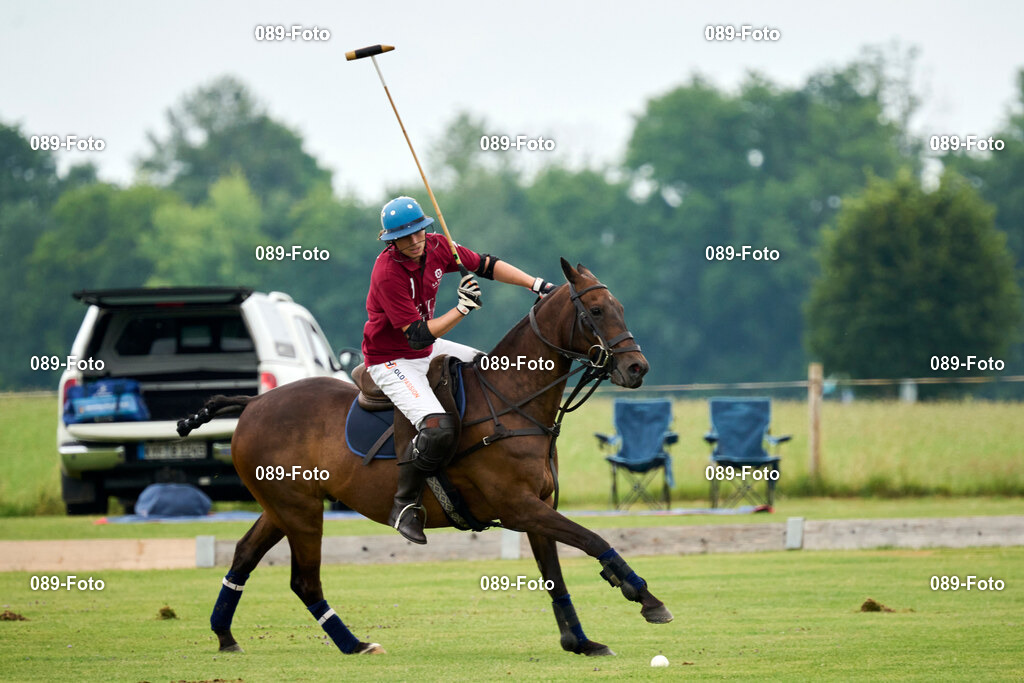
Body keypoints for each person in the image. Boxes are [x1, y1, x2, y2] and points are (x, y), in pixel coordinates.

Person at [362, 196, 555, 544]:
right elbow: (418, 336)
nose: (415, 241)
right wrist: (462, 309)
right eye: (405, 237)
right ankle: (404, 504)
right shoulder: (387, 273)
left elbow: (486, 264)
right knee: (436, 428)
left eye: (419, 232)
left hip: (427, 349)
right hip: (392, 359)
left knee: (494, 370)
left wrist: (536, 285)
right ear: (391, 240)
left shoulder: (437, 246)